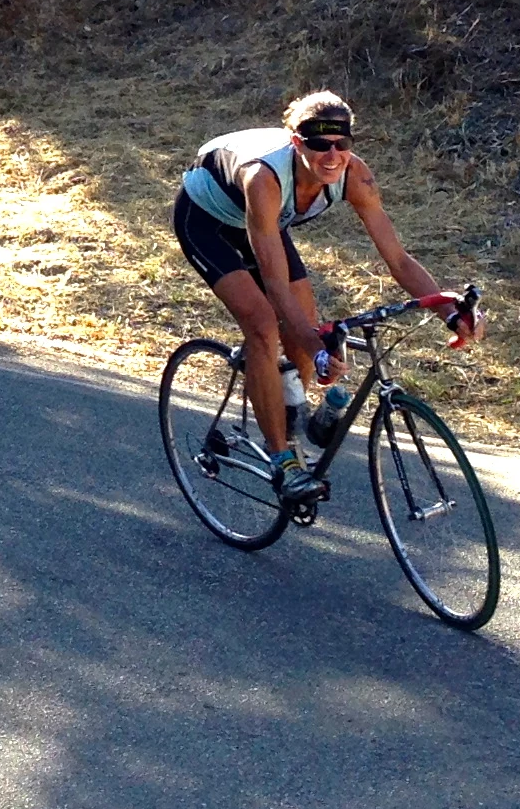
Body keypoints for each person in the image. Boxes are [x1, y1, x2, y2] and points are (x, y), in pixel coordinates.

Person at [172, 89, 479, 501]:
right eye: (319, 145)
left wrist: (448, 310)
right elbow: (275, 284)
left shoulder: (356, 175)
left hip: (265, 223)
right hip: (207, 220)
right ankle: (282, 461)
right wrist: (315, 346)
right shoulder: (264, 177)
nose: (331, 155)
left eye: (342, 144)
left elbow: (399, 260)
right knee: (265, 325)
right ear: (298, 143)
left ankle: (286, 404)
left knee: (306, 331)